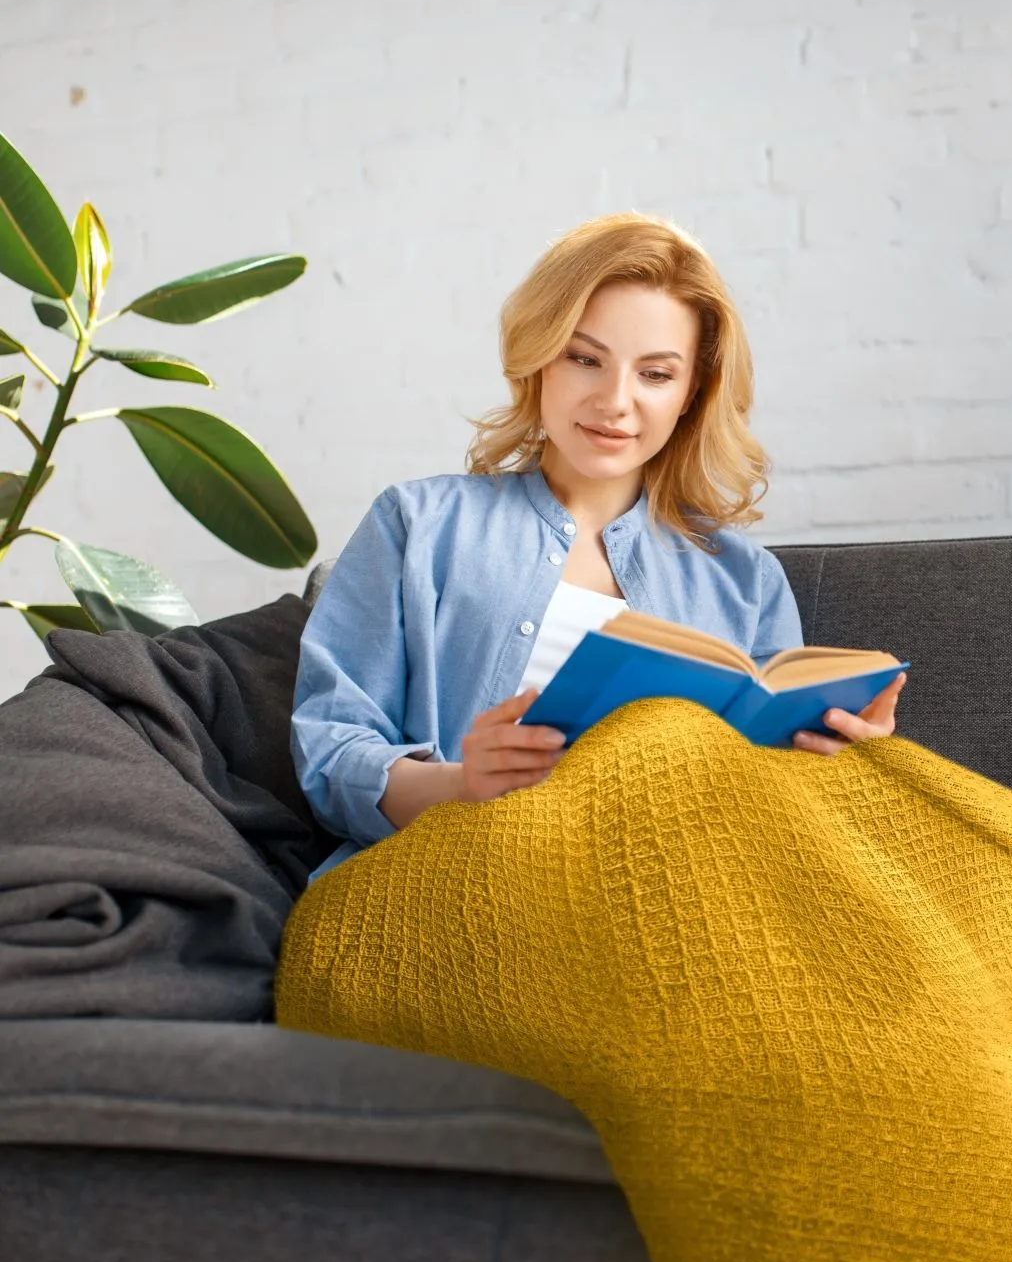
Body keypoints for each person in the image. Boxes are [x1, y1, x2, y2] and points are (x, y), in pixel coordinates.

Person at [291, 211, 908, 883]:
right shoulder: (418, 523)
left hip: (668, 893)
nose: (614, 402)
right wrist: (461, 783)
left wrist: (841, 761)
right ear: (538, 362)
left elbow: (765, 818)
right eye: (584, 359)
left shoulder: (744, 581)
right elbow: (329, 748)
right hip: (448, 881)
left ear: (690, 394)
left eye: (655, 374)